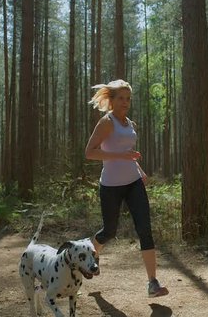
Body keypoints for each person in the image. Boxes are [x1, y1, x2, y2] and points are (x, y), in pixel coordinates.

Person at [84, 79, 169, 297]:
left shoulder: (129, 123)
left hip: (133, 183)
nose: (125, 102)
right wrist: (120, 156)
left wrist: (138, 169)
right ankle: (89, 257)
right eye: (121, 98)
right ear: (111, 100)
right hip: (111, 186)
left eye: (128, 98)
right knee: (109, 231)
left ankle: (153, 283)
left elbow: (127, 151)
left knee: (145, 229)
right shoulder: (106, 122)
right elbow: (90, 152)